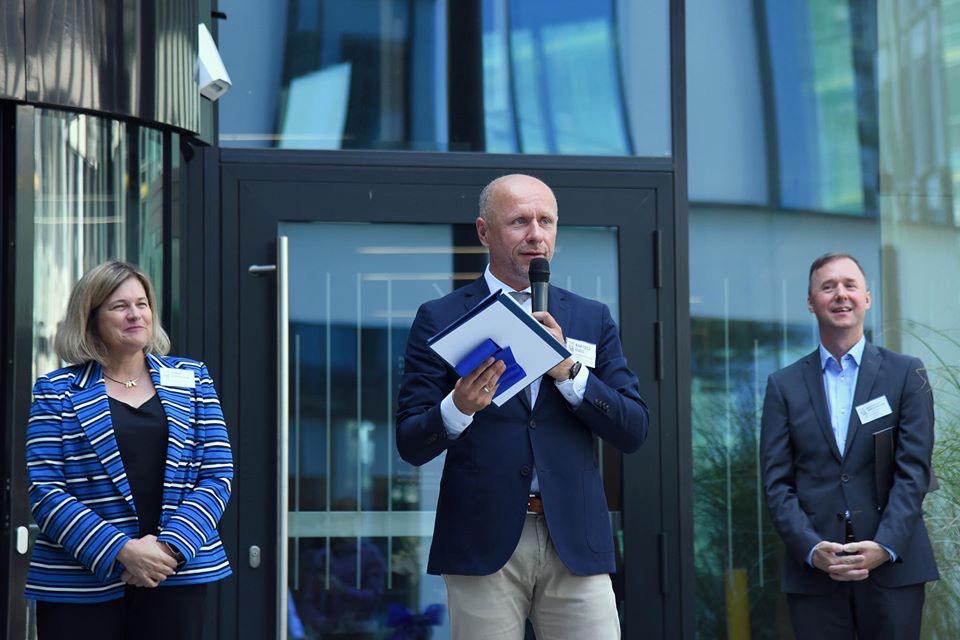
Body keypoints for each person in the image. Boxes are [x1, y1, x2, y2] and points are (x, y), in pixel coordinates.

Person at [396, 174, 649, 639]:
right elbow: (411, 441)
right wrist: (458, 407)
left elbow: (632, 428)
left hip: (574, 538)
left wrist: (569, 372)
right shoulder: (442, 317)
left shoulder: (590, 317)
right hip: (482, 540)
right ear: (483, 231)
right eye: (519, 221)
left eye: (545, 221)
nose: (536, 234)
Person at [24, 260, 233, 640]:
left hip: (175, 573)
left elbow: (217, 476)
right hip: (78, 582)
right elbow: (46, 491)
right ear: (91, 319)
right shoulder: (55, 391)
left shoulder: (192, 378)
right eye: (120, 306)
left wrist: (167, 549)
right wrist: (121, 551)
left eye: (142, 303)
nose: (136, 315)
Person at [760, 253, 938, 639]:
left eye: (849, 285)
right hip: (815, 574)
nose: (840, 295)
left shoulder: (906, 373)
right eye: (828, 287)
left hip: (893, 568)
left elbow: (914, 472)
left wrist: (884, 544)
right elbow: (777, 484)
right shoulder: (783, 385)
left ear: (867, 298)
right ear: (811, 302)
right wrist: (811, 548)